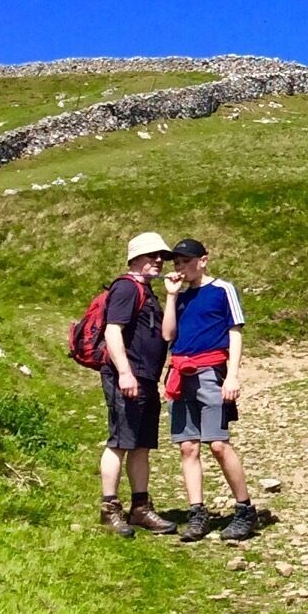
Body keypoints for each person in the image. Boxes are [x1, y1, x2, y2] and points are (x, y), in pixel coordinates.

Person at [160, 238, 262, 543]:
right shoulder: (178, 297)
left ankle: (244, 509)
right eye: (177, 263)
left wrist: (232, 376)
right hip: (180, 372)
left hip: (211, 372)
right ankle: (197, 513)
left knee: (217, 444)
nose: (181, 267)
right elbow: (168, 334)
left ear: (203, 260)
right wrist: (169, 297)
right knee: (188, 446)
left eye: (186, 261)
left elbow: (235, 332)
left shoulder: (223, 290)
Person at [99, 233, 176, 536]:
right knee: (120, 442)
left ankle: (140, 509)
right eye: (151, 255)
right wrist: (125, 373)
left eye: (160, 256)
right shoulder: (126, 288)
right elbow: (112, 331)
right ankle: (109, 509)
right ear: (135, 259)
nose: (158, 260)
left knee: (141, 445)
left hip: (145, 379)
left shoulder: (147, 291)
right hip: (129, 377)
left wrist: (171, 295)